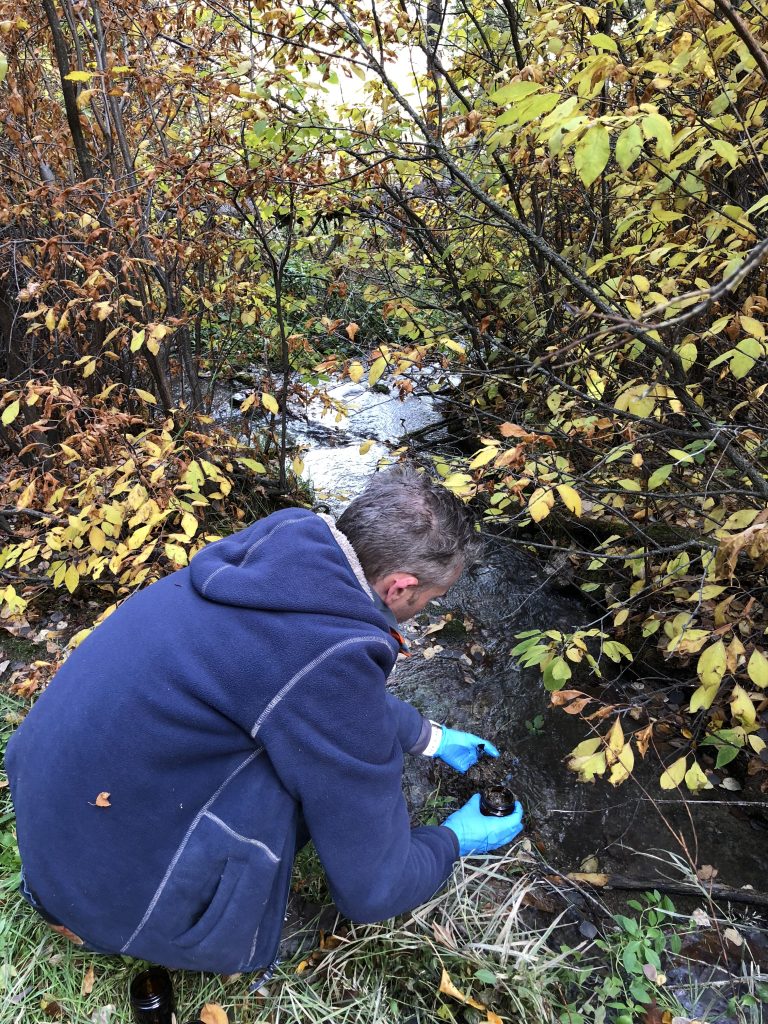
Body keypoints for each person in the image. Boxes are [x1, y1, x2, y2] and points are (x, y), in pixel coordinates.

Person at [5, 465, 524, 974]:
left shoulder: (268, 569)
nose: (428, 608)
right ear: (399, 587)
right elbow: (375, 890)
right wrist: (452, 840)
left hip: (53, 829)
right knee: (298, 778)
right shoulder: (326, 657)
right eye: (434, 597)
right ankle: (198, 936)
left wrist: (429, 738)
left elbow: (297, 687)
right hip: (109, 905)